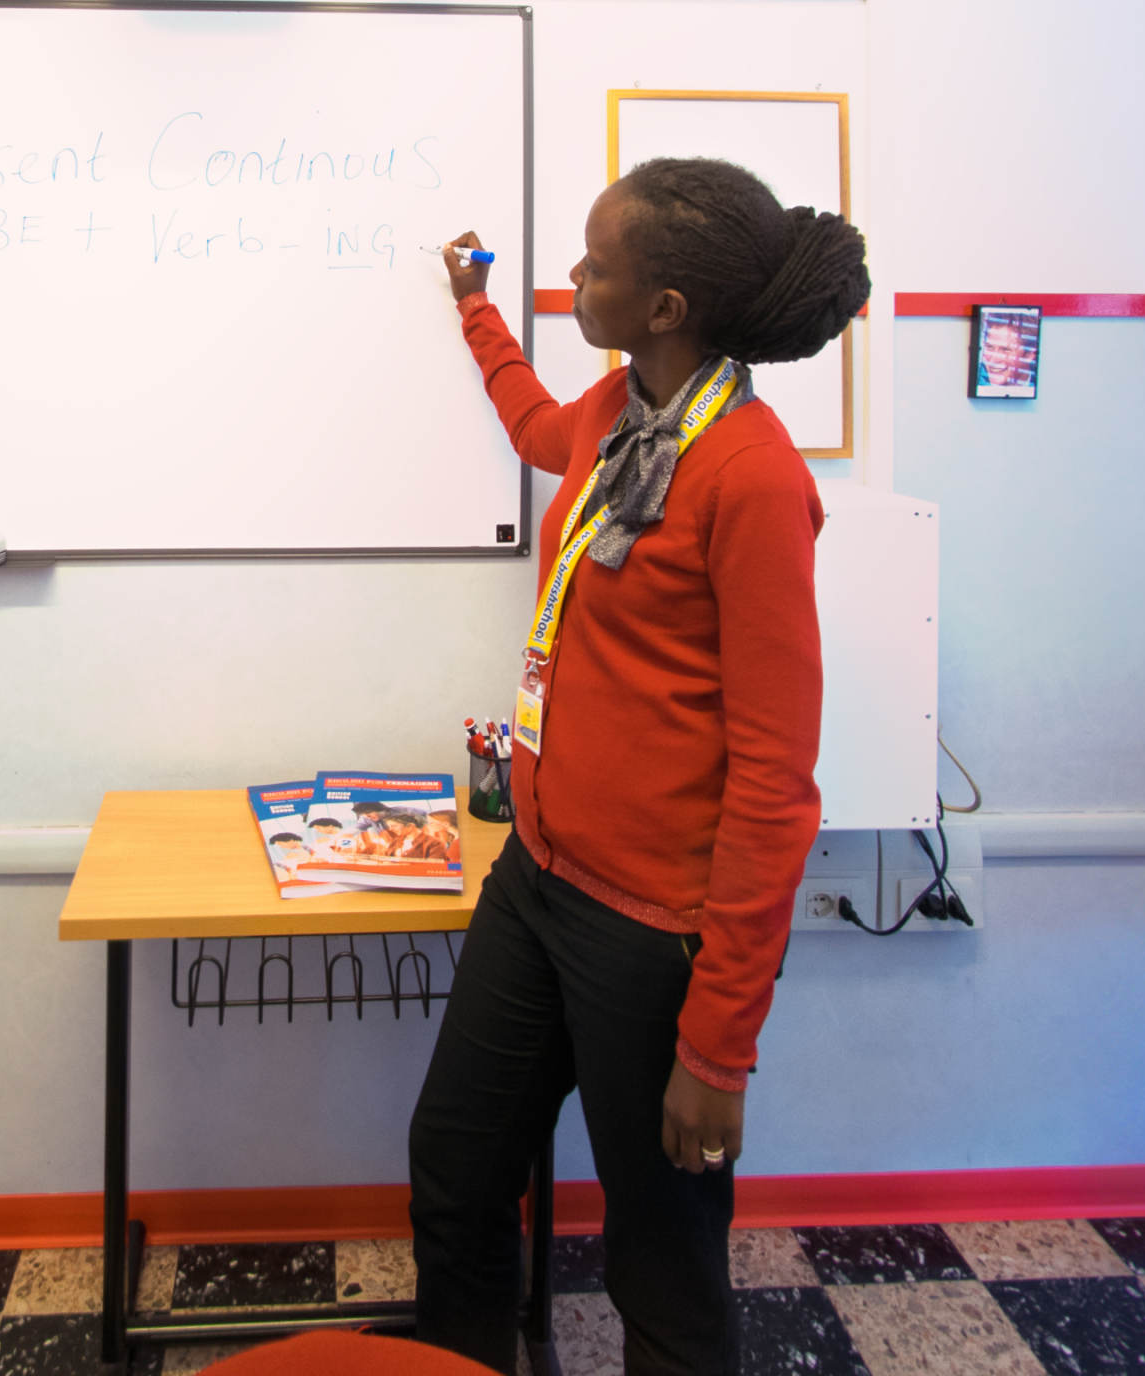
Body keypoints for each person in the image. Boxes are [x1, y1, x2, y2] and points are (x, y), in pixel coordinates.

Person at [409, 156, 870, 1376]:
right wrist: (474, 307)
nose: (573, 275)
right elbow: (532, 423)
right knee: (454, 1170)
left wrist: (717, 1048)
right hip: (538, 878)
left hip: (650, 932)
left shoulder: (749, 474)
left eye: (594, 264)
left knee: (659, 1261)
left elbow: (774, 779)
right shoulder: (617, 410)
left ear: (664, 305)